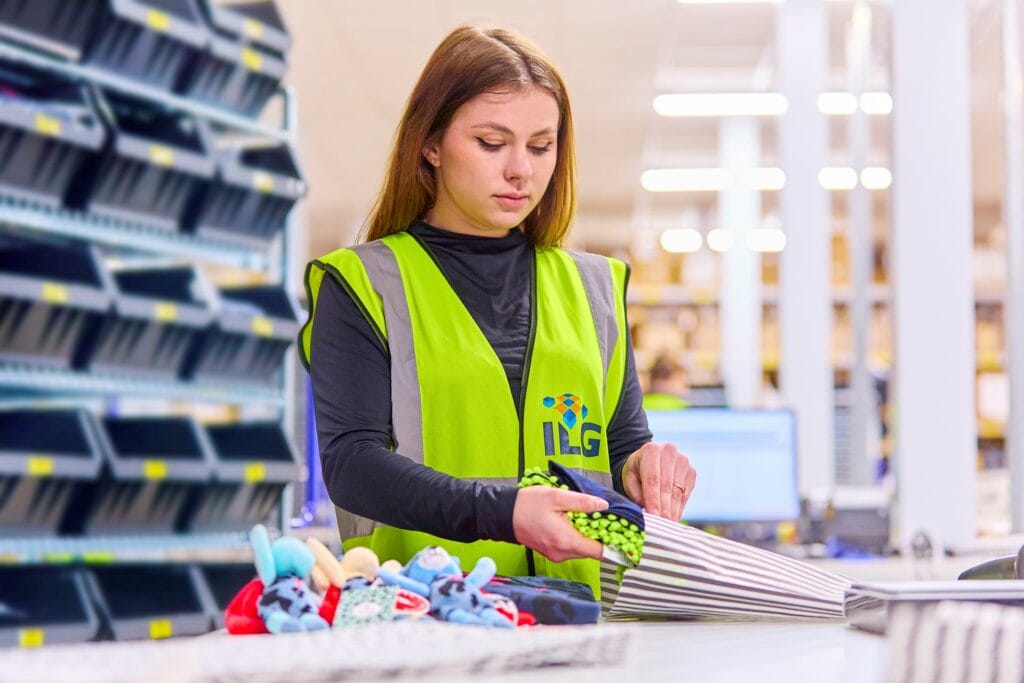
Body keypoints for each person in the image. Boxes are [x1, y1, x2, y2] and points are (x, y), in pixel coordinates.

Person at [299, 25, 696, 595]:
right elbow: (353, 467)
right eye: (492, 143)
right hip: (426, 618)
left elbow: (621, 443)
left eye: (541, 146)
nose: (522, 170)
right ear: (430, 145)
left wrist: (645, 472)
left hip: (576, 621)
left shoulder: (595, 288)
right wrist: (504, 511)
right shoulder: (364, 284)